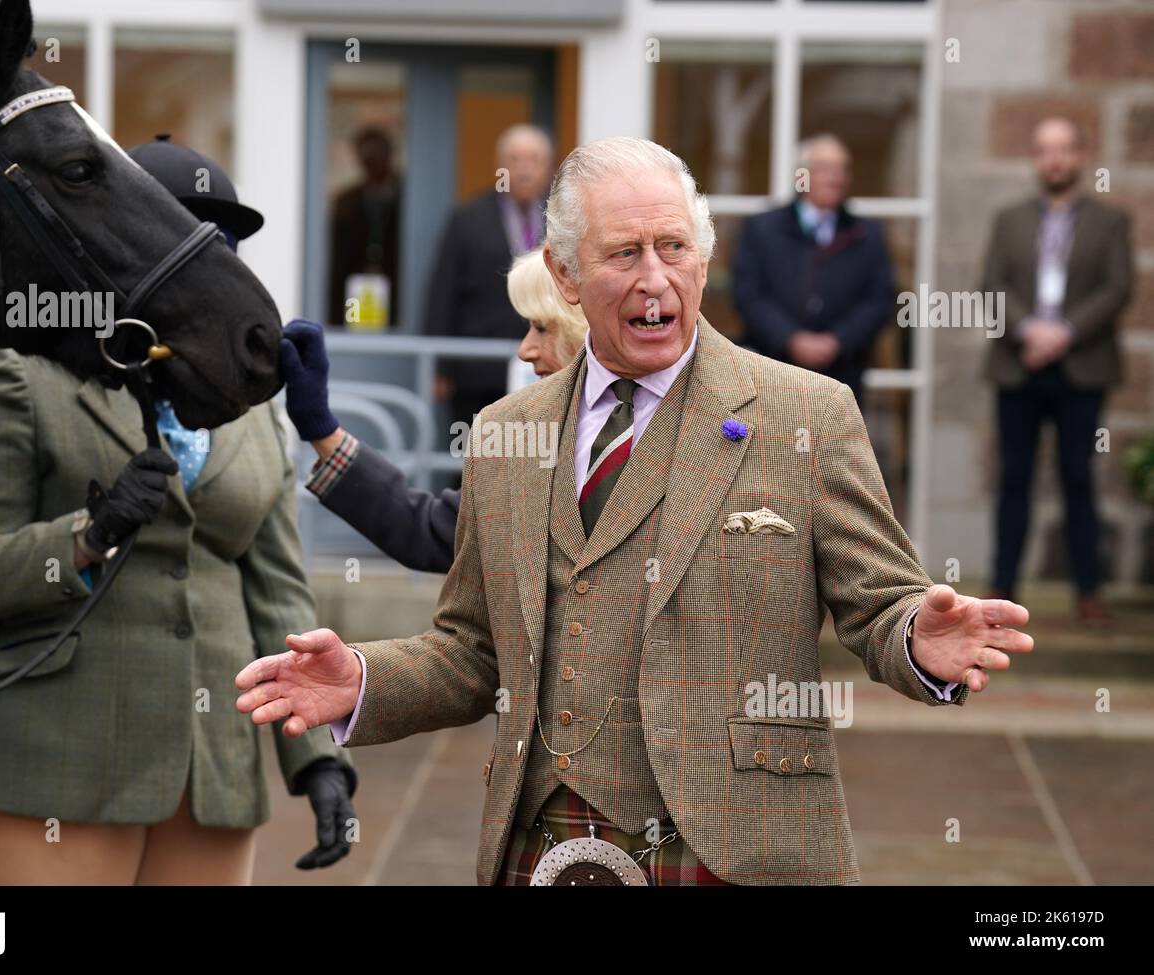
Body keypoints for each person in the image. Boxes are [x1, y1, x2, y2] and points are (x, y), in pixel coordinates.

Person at [236, 137, 1035, 886]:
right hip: (543, 840)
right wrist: (363, 680)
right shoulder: (505, 432)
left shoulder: (807, 414)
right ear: (565, 273)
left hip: (739, 846)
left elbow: (881, 604)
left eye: (674, 247)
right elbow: (472, 649)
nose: (656, 278)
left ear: (703, 260)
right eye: (624, 253)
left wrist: (918, 639)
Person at [0, 136, 356, 885]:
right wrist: (87, 536)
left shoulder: (251, 405)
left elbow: (278, 594)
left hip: (211, 771)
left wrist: (318, 757)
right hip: (52, 760)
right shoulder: (24, 375)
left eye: (225, 243)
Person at [282, 248, 588, 574]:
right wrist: (322, 430)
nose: (524, 350)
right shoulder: (540, 438)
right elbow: (433, 529)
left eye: (541, 327)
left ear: (583, 329)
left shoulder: (616, 442)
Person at [982, 116, 1133, 624]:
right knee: (1014, 478)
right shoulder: (1009, 219)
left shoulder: (1110, 221)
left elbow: (1117, 288)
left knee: (1077, 477)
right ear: (1035, 157)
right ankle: (1002, 588)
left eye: (1064, 149)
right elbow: (992, 284)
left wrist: (1062, 333)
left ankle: (1089, 592)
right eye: (1045, 149)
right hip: (1018, 365)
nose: (1054, 159)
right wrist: (1030, 331)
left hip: (1081, 368)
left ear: (1081, 155)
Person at [731, 133, 895, 400]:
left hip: (843, 377)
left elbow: (879, 300)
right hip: (772, 371)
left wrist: (838, 340)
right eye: (825, 169)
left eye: (842, 169)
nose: (835, 178)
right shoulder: (763, 229)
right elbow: (748, 294)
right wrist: (790, 338)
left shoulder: (866, 234)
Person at [426, 124, 554, 430]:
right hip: (477, 371)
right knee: (477, 450)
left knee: (536, 451)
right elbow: (442, 293)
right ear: (500, 167)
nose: (524, 169)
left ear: (548, 168)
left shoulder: (562, 219)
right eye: (515, 159)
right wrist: (440, 367)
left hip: (547, 367)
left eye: (534, 159)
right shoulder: (467, 219)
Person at [328, 127, 401, 328]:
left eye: (376, 157)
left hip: (397, 292)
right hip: (355, 289)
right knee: (357, 329)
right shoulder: (347, 202)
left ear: (389, 156)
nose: (372, 165)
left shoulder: (409, 199)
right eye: (367, 159)